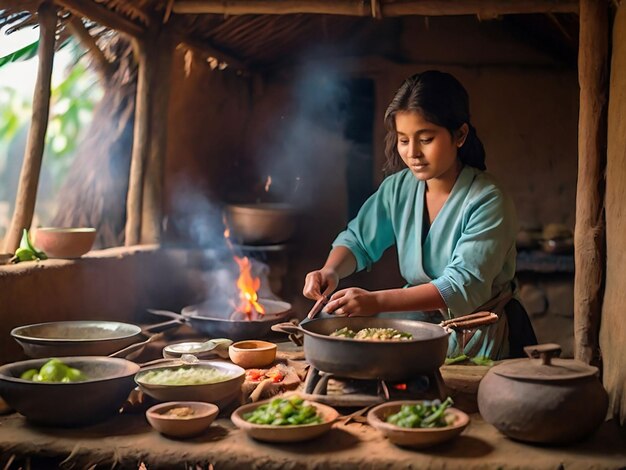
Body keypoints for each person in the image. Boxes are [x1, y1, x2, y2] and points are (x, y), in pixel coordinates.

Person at [302, 70, 536, 360]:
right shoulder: (398, 189)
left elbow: (460, 286)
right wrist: (330, 271)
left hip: (480, 336)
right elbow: (358, 240)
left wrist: (375, 301)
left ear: (460, 135)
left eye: (425, 139)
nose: (412, 153)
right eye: (403, 140)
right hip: (419, 329)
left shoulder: (488, 199)